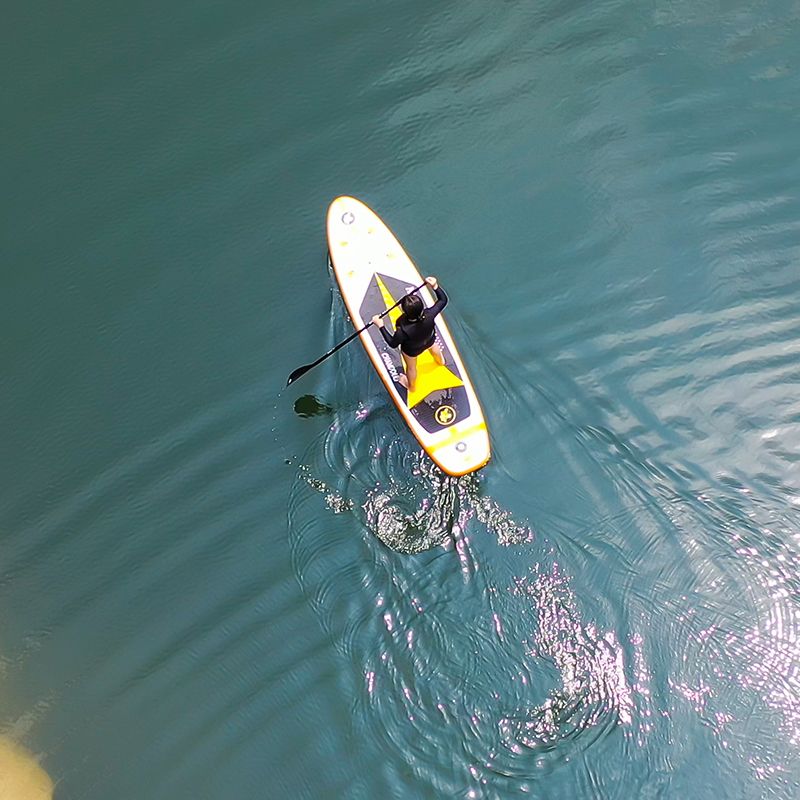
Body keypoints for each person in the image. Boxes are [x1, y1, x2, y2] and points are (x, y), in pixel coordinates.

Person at [372, 276, 447, 392]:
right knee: (433, 346)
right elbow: (443, 300)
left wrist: (380, 326)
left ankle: (411, 386)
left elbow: (392, 343)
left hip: (412, 350)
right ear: (422, 307)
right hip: (429, 339)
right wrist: (435, 286)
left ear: (404, 312)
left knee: (411, 367)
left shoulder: (402, 331)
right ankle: (441, 361)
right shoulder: (430, 314)